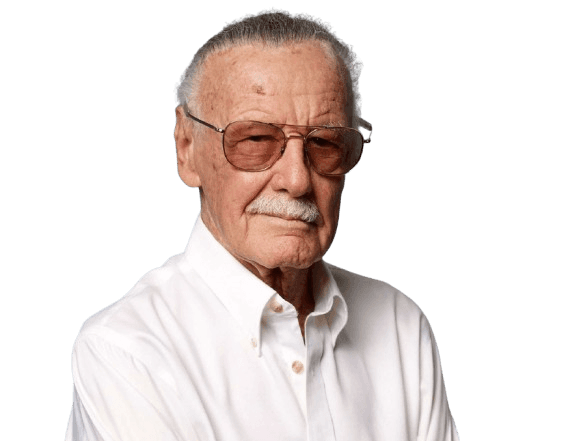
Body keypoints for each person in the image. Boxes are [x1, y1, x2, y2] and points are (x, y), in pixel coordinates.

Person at [65, 9, 459, 441]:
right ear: (186, 148)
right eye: (255, 140)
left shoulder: (400, 326)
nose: (297, 179)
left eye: (325, 143)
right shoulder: (128, 349)